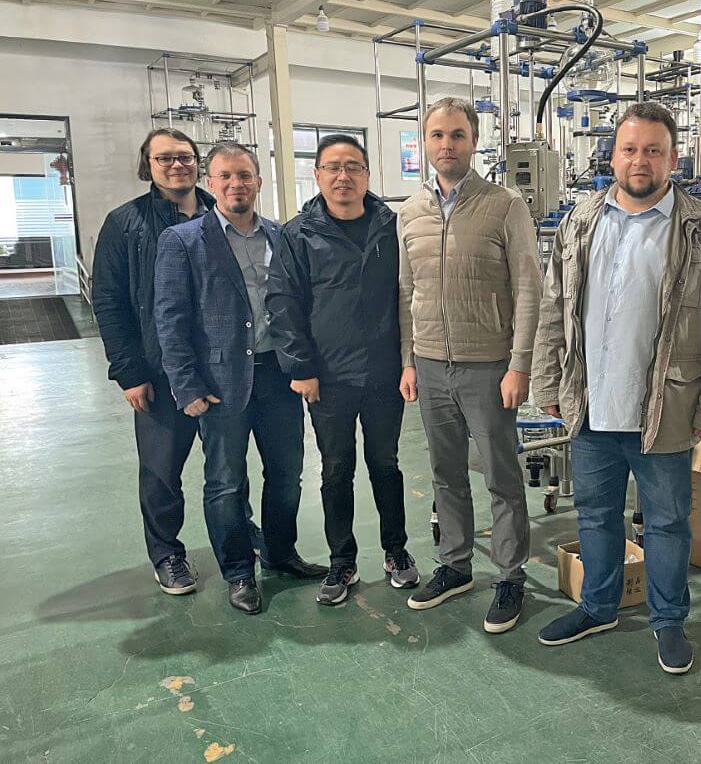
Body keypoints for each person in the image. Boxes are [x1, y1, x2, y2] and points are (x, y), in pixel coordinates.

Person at [530, 101, 701, 673]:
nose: (639, 160)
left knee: (667, 521)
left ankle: (668, 620)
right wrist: (548, 377)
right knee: (595, 514)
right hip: (591, 402)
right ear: (612, 156)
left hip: (666, 406)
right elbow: (555, 305)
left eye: (653, 150)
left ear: (673, 158)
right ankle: (598, 606)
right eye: (629, 149)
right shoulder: (582, 219)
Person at [154, 142, 328, 615]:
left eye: (245, 175)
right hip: (219, 382)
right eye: (226, 176)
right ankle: (238, 572)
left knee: (287, 475)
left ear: (258, 182)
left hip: (278, 377)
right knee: (226, 482)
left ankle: (280, 553)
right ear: (210, 183)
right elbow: (169, 319)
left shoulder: (280, 235)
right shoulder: (182, 241)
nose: (237, 184)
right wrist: (186, 385)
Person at [92, 128, 259, 596]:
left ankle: (240, 536)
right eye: (164, 158)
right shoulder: (125, 224)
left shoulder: (218, 212)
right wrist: (130, 372)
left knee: (228, 467)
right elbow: (109, 302)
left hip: (222, 369)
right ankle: (166, 553)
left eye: (184, 157)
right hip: (158, 370)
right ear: (147, 165)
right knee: (162, 470)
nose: (176, 165)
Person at [398, 96, 542, 634]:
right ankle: (455, 565)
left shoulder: (505, 205)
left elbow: (529, 288)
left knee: (502, 475)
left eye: (457, 135)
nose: (447, 145)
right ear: (425, 143)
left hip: (489, 367)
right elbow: (406, 293)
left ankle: (510, 575)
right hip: (430, 365)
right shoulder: (410, 213)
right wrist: (408, 360)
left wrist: (519, 364)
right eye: (437, 135)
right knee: (445, 473)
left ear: (474, 141)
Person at [267, 134, 417, 606]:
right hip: (328, 378)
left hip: (384, 374)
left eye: (353, 166)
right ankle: (342, 561)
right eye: (332, 167)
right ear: (317, 175)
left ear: (367, 174)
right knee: (336, 470)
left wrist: (408, 362)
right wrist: (301, 367)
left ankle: (396, 551)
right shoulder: (298, 234)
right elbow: (283, 303)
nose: (343, 176)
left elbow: (410, 295)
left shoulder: (391, 227)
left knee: (386, 464)